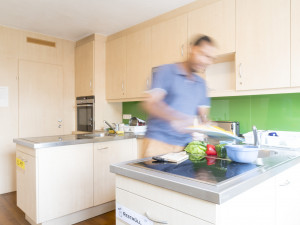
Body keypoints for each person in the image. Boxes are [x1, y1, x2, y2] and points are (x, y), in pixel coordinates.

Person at [141, 35, 217, 158]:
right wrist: (176, 118)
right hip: (158, 143)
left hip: (184, 146)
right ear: (192, 49)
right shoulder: (166, 71)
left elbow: (203, 116)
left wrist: (209, 125)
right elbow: (150, 104)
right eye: (203, 55)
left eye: (210, 58)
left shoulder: (201, 84)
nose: (206, 62)